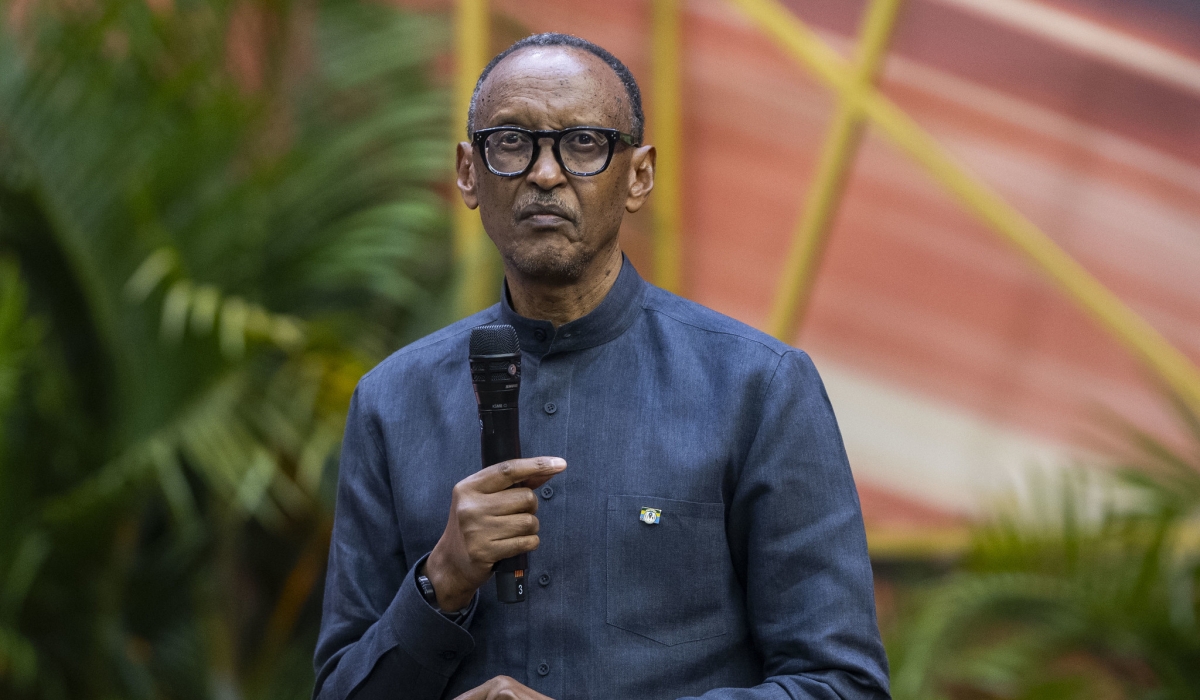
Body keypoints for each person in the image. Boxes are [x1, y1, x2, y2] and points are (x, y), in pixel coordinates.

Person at [313, 32, 891, 700]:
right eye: (512, 142)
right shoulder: (392, 402)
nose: (546, 174)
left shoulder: (757, 389)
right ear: (469, 174)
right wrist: (439, 580)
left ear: (639, 175)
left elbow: (841, 685)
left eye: (583, 143)